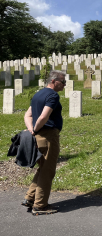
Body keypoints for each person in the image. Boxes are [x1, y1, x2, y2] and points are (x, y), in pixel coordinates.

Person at [23, 70, 66, 215]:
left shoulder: (39, 93)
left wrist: (32, 130)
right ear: (54, 81)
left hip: (37, 135)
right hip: (48, 136)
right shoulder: (53, 95)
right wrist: (35, 128)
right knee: (48, 170)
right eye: (63, 82)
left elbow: (28, 114)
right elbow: (43, 117)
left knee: (42, 168)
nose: (64, 85)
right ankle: (40, 206)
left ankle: (30, 198)